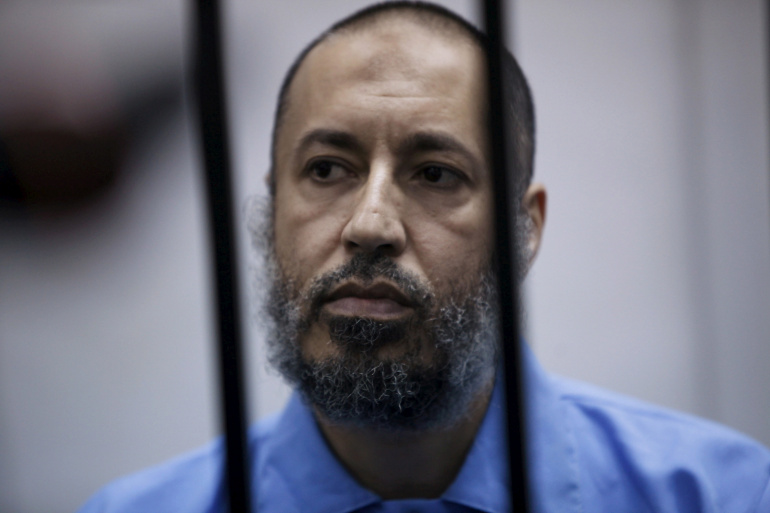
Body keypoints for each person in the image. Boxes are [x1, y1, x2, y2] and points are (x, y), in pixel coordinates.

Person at [77, 2, 770, 512]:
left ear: (525, 229)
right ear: (270, 211)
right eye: (326, 170)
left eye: (436, 173)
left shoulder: (722, 494)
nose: (370, 223)